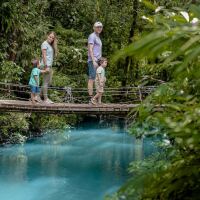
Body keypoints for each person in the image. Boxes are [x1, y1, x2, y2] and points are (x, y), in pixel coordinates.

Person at [40, 31, 58, 104]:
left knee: (49, 82)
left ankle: (37, 96)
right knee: (45, 82)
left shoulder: (50, 45)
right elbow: (44, 55)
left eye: (52, 38)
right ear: (47, 36)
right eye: (50, 36)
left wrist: (50, 67)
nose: (51, 38)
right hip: (45, 65)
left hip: (49, 65)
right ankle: (45, 99)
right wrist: (46, 66)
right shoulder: (44, 44)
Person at [87, 21, 103, 103]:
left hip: (98, 61)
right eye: (97, 27)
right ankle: (90, 99)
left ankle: (96, 99)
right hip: (93, 60)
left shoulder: (98, 37)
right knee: (92, 78)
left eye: (100, 27)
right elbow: (90, 48)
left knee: (98, 79)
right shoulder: (92, 36)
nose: (99, 28)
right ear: (94, 28)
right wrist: (93, 60)